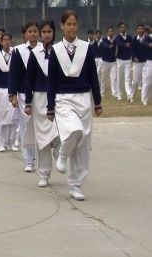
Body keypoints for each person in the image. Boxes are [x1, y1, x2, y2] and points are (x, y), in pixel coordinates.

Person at [48, 10, 102, 201]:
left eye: (74, 24)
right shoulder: (55, 50)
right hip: (63, 99)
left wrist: (97, 102)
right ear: (62, 26)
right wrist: (49, 107)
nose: (72, 28)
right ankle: (62, 153)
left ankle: (76, 185)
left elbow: (93, 76)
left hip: (84, 99)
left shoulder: (86, 48)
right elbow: (52, 80)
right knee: (74, 130)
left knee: (82, 145)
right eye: (68, 24)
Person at [24, 19, 61, 187]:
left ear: (54, 33)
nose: (46, 35)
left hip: (59, 98)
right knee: (43, 138)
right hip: (39, 99)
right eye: (44, 32)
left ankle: (61, 155)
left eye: (49, 32)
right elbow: (29, 79)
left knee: (61, 131)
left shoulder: (60, 51)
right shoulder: (35, 53)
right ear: (40, 33)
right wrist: (28, 102)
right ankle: (44, 174)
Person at [9, 21, 41, 172]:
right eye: (30, 31)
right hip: (22, 94)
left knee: (40, 126)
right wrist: (13, 95)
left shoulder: (45, 49)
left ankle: (40, 158)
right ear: (25, 34)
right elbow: (13, 74)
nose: (33, 34)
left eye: (35, 31)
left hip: (41, 93)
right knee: (25, 126)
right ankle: (28, 160)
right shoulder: (18, 51)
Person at [0, 33, 19, 152]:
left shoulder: (15, 55)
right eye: (4, 40)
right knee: (2, 117)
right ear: (1, 42)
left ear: (11, 41)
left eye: (8, 40)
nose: (6, 42)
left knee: (13, 118)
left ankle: (11, 141)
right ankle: (2, 142)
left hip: (12, 90)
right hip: (0, 90)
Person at [115, 21, 133, 102]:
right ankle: (119, 94)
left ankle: (129, 95)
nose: (123, 28)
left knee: (128, 78)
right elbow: (119, 44)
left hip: (128, 60)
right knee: (119, 78)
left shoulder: (129, 37)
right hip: (119, 60)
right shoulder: (118, 37)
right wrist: (126, 45)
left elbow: (131, 46)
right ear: (119, 28)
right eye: (121, 27)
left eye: (124, 27)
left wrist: (127, 45)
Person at [101, 27, 118, 97]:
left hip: (113, 61)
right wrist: (108, 46)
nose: (111, 32)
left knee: (113, 77)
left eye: (112, 31)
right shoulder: (104, 39)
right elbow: (104, 45)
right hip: (105, 61)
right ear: (107, 32)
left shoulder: (115, 40)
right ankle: (101, 92)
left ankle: (114, 92)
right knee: (103, 78)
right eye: (109, 31)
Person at [132, 24, 147, 96]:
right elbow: (132, 50)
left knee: (145, 80)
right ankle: (131, 95)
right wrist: (134, 57)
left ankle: (143, 97)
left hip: (146, 62)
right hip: (137, 62)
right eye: (139, 29)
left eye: (142, 29)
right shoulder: (134, 39)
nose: (140, 30)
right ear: (137, 30)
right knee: (135, 80)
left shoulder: (147, 39)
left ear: (144, 30)